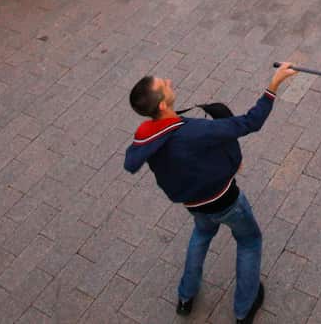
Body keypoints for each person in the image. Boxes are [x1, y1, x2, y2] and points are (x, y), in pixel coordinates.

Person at [123, 63, 299, 323]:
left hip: (195, 204)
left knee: (203, 233)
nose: (170, 81)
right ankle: (244, 308)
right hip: (226, 202)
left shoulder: (150, 137)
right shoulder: (195, 131)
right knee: (250, 241)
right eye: (164, 85)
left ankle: (186, 297)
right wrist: (273, 85)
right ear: (162, 105)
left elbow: (186, 161)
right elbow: (250, 122)